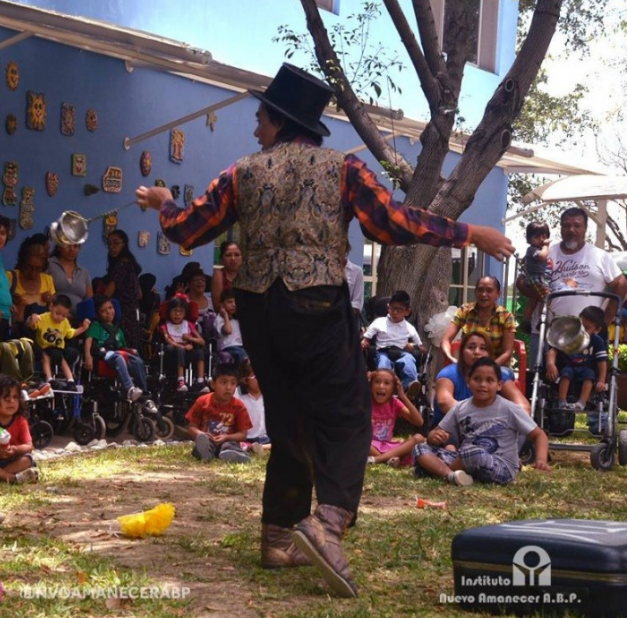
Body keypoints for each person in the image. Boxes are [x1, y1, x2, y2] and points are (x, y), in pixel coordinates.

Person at [136, 63, 514, 596]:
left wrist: (162, 203)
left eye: (260, 118)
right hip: (314, 302)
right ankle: (327, 523)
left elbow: (186, 228)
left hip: (259, 311)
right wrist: (469, 231)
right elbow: (394, 224)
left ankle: (277, 536)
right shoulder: (341, 169)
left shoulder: (240, 172)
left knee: (291, 414)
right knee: (347, 414)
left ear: (278, 119)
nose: (254, 129)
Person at [414, 358, 550, 486]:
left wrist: (541, 460)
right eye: (477, 379)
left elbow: (539, 435)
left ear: (499, 385)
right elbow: (436, 433)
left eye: (489, 380)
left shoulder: (510, 408)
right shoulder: (460, 408)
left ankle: (440, 470)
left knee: (471, 452)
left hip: (501, 465)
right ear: (468, 382)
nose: (483, 385)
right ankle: (451, 475)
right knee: (420, 448)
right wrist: (434, 437)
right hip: (465, 460)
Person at [518, 207, 627, 361]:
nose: (571, 230)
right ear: (560, 228)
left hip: (586, 334)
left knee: (583, 379)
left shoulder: (599, 255)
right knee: (540, 379)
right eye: (566, 225)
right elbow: (521, 281)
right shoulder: (546, 251)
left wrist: (605, 320)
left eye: (577, 225)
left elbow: (621, 284)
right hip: (548, 331)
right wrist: (535, 293)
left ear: (585, 229)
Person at [433, 331, 530, 427]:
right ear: (462, 352)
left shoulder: (498, 374)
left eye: (483, 348)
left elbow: (523, 406)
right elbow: (444, 402)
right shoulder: (448, 373)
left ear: (490, 354)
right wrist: (483, 419)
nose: (476, 352)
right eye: (471, 347)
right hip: (450, 431)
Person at [440, 276, 516, 371]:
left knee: (504, 377)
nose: (484, 294)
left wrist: (489, 368)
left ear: (498, 294)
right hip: (466, 366)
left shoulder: (506, 316)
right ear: (475, 292)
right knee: (445, 376)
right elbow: (445, 340)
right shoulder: (464, 310)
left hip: (496, 367)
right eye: (480, 290)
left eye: (489, 291)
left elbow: (507, 352)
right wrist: (451, 359)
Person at [83, 295, 147, 401]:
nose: (108, 312)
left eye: (110, 308)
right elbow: (88, 340)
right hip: (103, 354)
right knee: (119, 357)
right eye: (104, 310)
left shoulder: (118, 330)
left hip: (118, 353)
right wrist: (87, 356)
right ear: (98, 313)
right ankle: (130, 389)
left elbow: (123, 348)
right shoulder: (96, 325)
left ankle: (143, 391)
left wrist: (131, 353)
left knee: (137, 360)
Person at [361, 291, 424, 397]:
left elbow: (422, 348)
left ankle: (407, 387)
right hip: (383, 351)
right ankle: (384, 389)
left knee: (409, 361)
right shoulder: (379, 322)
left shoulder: (409, 327)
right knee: (383, 364)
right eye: (391, 308)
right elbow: (366, 338)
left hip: (401, 351)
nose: (394, 312)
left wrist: (413, 346)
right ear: (388, 307)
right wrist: (364, 342)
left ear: (407, 311)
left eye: (398, 310)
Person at [186, 363, 252, 463]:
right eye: (224, 382)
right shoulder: (202, 401)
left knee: (229, 446)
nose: (228, 387)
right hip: (208, 441)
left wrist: (227, 437)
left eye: (233, 383)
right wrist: (201, 434)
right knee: (201, 447)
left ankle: (232, 455)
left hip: (228, 441)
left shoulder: (239, 406)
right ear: (213, 384)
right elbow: (191, 427)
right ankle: (205, 454)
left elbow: (243, 435)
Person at [546, 305, 608, 411]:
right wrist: (551, 364)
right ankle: (562, 402)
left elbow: (602, 362)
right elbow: (553, 351)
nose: (583, 330)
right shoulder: (569, 335)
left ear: (597, 330)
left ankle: (581, 403)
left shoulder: (597, 341)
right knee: (566, 373)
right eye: (581, 326)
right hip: (569, 366)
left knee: (589, 376)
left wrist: (602, 380)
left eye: (587, 328)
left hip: (586, 368)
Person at [25, 294, 90, 385]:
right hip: (44, 348)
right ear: (51, 306)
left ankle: (70, 380)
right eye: (57, 313)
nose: (60, 317)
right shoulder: (43, 318)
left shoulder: (65, 322)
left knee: (62, 360)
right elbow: (30, 325)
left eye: (63, 315)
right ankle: (49, 379)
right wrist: (32, 318)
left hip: (58, 349)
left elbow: (70, 334)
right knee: (45, 358)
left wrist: (83, 328)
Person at [366, 369, 424, 467]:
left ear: (394, 388)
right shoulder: (365, 400)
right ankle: (389, 460)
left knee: (419, 438)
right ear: (371, 386)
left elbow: (419, 422)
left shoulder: (394, 403)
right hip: (369, 445)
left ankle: (379, 459)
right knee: (359, 441)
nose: (381, 386)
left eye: (387, 383)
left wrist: (403, 397)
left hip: (387, 446)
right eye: (377, 382)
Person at [104, 230, 144, 350]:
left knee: (122, 345)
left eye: (116, 243)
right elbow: (139, 295)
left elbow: (107, 294)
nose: (112, 247)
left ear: (124, 244)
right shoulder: (130, 264)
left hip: (122, 311)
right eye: (109, 244)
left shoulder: (122, 265)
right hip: (134, 310)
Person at [161, 295, 206, 391]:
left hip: (188, 352)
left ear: (185, 313)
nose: (177, 314)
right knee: (180, 350)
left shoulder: (188, 325)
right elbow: (168, 340)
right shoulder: (165, 325)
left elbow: (202, 341)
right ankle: (180, 381)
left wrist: (190, 338)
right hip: (172, 353)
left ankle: (200, 381)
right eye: (174, 311)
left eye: (180, 311)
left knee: (200, 352)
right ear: (169, 312)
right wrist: (182, 346)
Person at [8, 238, 55, 326]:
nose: (33, 272)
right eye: (29, 267)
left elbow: (54, 309)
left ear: (44, 267)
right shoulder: (11, 276)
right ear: (23, 262)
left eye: (38, 268)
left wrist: (50, 300)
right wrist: (13, 300)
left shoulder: (48, 280)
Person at [521, 221, 552, 329]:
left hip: (537, 278)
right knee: (546, 297)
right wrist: (546, 246)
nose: (541, 239)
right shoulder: (532, 250)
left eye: (544, 236)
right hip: (536, 279)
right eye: (537, 237)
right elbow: (542, 257)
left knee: (534, 300)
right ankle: (541, 319)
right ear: (529, 240)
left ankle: (527, 319)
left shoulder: (535, 250)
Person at [48, 241, 92, 314]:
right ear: (59, 247)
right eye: (68, 246)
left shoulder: (84, 272)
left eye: (75, 246)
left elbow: (89, 299)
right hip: (54, 316)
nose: (72, 249)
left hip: (78, 320)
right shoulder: (49, 265)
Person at [236, 360, 268, 448]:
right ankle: (252, 447)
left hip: (265, 437)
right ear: (245, 380)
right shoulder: (237, 394)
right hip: (245, 437)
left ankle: (259, 447)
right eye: (256, 376)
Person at [215, 289, 247, 365]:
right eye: (230, 302)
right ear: (222, 305)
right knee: (243, 356)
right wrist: (225, 316)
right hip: (228, 347)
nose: (234, 305)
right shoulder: (219, 318)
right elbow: (228, 330)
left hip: (241, 346)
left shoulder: (238, 318)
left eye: (235, 302)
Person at [211, 241, 241, 313]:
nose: (233, 258)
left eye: (237, 255)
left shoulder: (246, 275)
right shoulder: (219, 275)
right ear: (222, 258)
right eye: (228, 255)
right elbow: (217, 306)